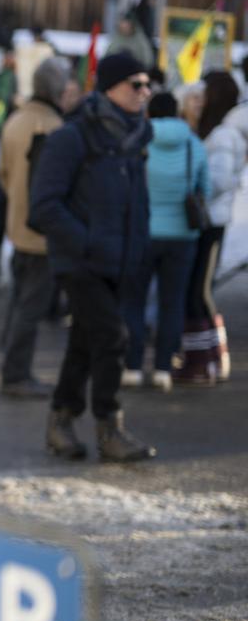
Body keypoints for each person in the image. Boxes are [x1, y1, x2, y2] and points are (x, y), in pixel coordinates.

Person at [30, 52, 156, 463]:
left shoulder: (136, 137)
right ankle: (110, 427)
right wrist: (84, 243)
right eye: (136, 84)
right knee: (113, 336)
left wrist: (138, 251)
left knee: (85, 343)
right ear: (110, 87)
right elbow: (44, 205)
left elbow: (135, 205)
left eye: (147, 83)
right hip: (80, 262)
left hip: (119, 262)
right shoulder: (74, 136)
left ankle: (60, 421)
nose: (145, 91)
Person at [0, 58, 75, 397]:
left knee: (19, 305)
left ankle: (12, 368)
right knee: (30, 308)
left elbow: (4, 175)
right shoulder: (55, 127)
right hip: (42, 233)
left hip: (17, 226)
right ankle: (16, 375)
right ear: (58, 89)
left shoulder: (15, 121)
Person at [122, 92, 207, 392]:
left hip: (143, 232)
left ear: (149, 114)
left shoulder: (139, 143)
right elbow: (203, 188)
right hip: (182, 236)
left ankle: (132, 366)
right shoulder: (194, 145)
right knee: (173, 303)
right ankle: (162, 368)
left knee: (133, 300)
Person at [182, 71, 245, 384]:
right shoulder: (221, 132)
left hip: (212, 222)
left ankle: (208, 359)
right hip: (211, 220)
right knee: (198, 290)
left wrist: (193, 186)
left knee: (200, 291)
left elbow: (218, 181)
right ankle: (206, 359)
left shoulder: (222, 135)